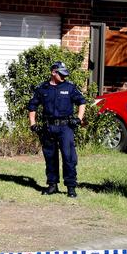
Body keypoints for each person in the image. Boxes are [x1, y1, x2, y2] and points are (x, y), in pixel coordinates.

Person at [28, 61, 86, 198]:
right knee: (50, 157)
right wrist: (33, 123)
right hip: (48, 127)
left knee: (69, 157)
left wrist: (78, 118)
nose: (63, 77)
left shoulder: (69, 87)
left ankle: (71, 187)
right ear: (53, 72)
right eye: (61, 74)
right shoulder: (43, 88)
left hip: (65, 127)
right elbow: (32, 106)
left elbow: (82, 102)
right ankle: (52, 185)